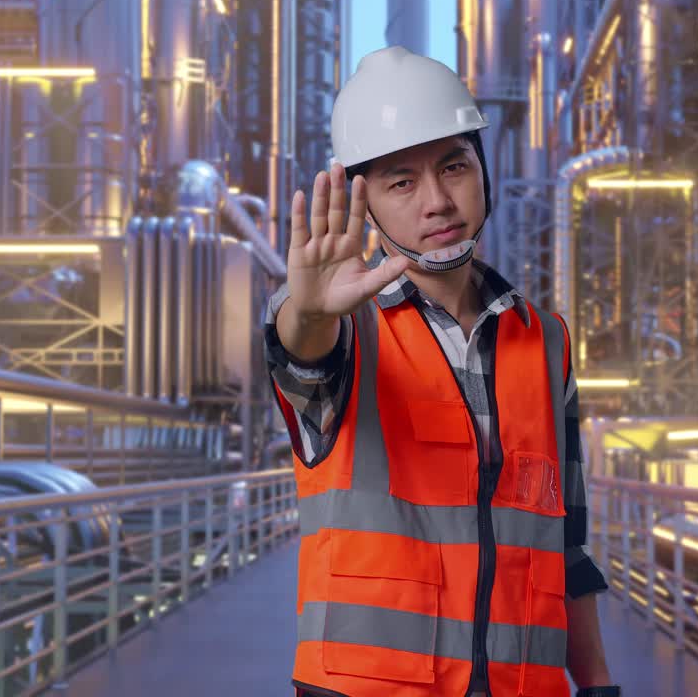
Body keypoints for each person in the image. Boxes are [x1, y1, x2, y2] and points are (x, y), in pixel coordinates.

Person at [265, 46, 619, 697]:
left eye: (454, 167)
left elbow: (565, 543)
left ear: (482, 171)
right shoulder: (346, 330)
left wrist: (596, 683)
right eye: (402, 182)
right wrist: (307, 313)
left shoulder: (546, 343)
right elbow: (300, 357)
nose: (437, 201)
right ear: (364, 203)